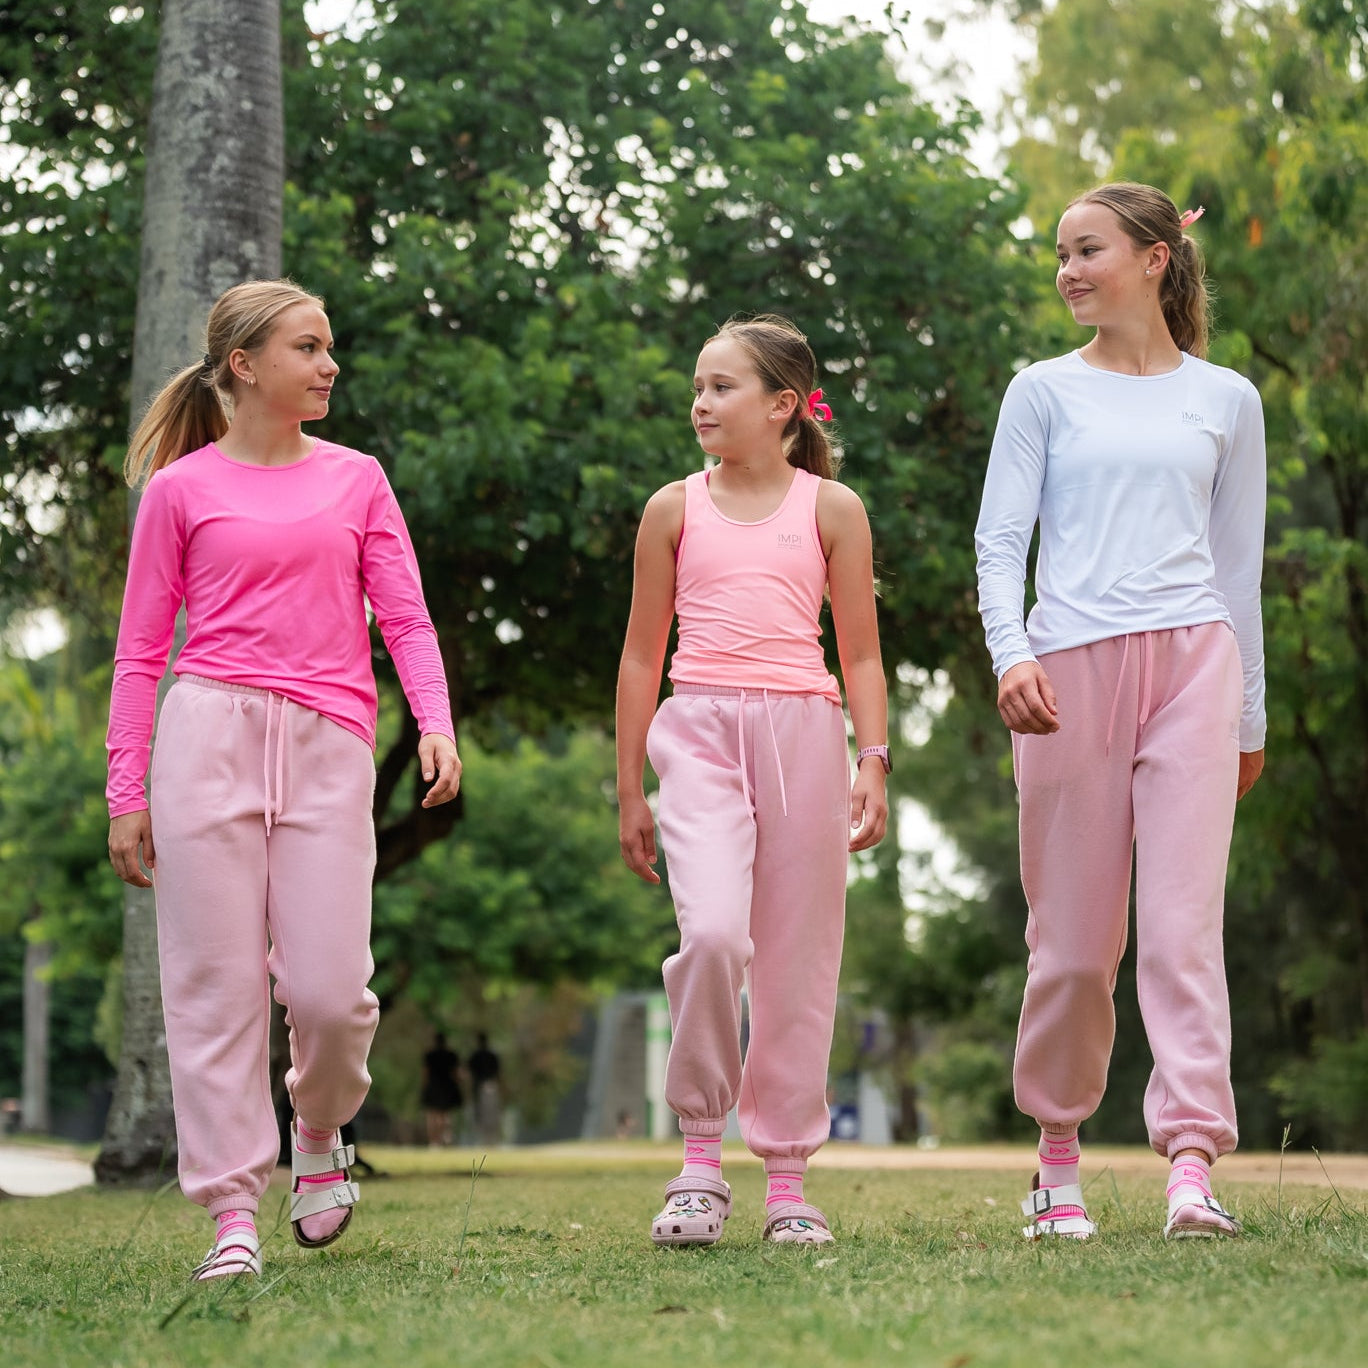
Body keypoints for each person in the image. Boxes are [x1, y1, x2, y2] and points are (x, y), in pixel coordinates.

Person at [105, 279, 460, 1281]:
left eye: (329, 345)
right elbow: (140, 654)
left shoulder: (358, 479)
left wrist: (434, 723)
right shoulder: (179, 491)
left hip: (328, 744)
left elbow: (407, 618)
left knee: (331, 993)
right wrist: (125, 792)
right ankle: (229, 1212)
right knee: (213, 990)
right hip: (205, 735)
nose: (329, 363)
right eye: (309, 347)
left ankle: (319, 1128)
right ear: (244, 365)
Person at [974, 183, 1266, 1241]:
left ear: (1153, 257)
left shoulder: (1227, 398)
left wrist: (1250, 719)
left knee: (1183, 930)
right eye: (1059, 253)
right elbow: (1002, 542)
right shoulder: (1041, 392)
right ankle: (1058, 1159)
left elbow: (1239, 569)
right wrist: (1011, 653)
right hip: (1066, 673)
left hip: (1199, 666)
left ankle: (1192, 1165)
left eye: (1086, 249)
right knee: (1073, 941)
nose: (1067, 270)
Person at [616, 314, 889, 1247]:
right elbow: (639, 657)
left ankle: (785, 1182)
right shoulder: (671, 509)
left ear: (782, 404)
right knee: (717, 937)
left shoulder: (832, 510)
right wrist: (626, 791)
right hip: (697, 731)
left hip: (805, 734)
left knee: (800, 964)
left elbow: (859, 653)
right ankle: (699, 1159)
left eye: (721, 387)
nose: (700, 402)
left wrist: (874, 761)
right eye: (697, 386)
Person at [420, 1032, 463, 1147]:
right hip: (447, 1087)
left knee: (433, 1116)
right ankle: (444, 1138)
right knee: (445, 1115)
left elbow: (426, 1073)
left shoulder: (430, 1055)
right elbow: (456, 1074)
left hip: (434, 1086)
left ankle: (435, 1141)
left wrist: (425, 1087)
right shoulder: (451, 1055)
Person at [467, 1031, 502, 1147]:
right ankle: (491, 1139)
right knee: (490, 1114)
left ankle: (486, 1139)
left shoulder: (476, 1056)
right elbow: (498, 1074)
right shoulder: (491, 1055)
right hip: (490, 1086)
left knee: (483, 1114)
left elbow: (469, 1073)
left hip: (481, 1087)